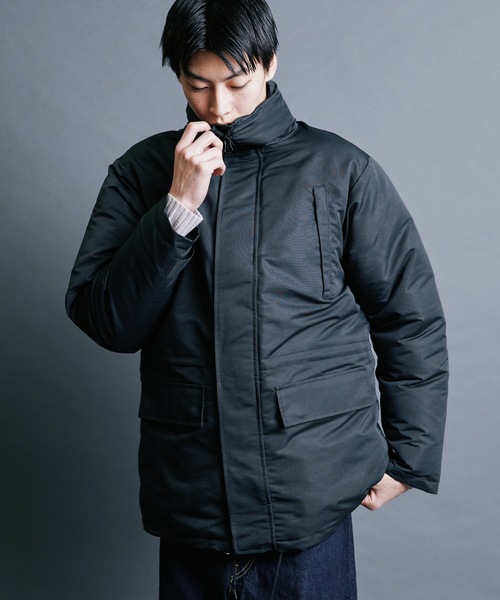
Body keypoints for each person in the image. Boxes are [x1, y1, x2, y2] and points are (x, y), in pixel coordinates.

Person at [66, 0, 448, 597]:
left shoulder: (340, 169)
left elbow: (410, 318)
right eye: (198, 85)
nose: (218, 107)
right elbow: (109, 323)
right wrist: (177, 207)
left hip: (310, 499)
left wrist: (410, 457)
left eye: (236, 83)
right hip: (193, 503)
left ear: (270, 63)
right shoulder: (142, 173)